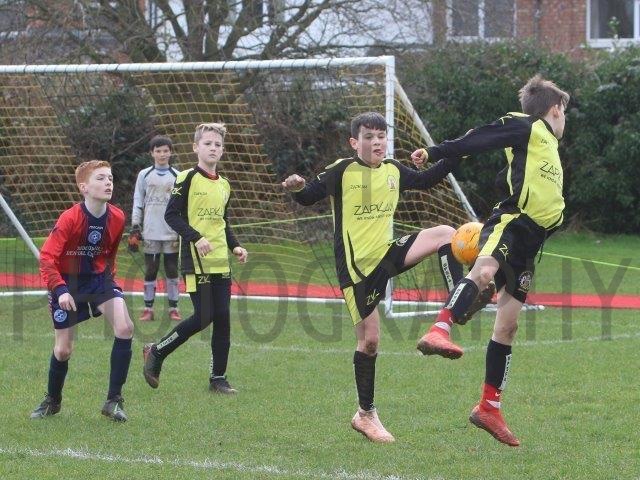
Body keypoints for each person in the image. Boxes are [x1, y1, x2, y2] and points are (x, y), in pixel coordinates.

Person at [282, 111, 489, 443]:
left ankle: (458, 305)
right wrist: (298, 187)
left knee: (445, 234)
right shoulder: (342, 171)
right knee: (370, 342)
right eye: (369, 137)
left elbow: (427, 179)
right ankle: (365, 415)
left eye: (381, 136)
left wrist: (459, 150)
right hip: (356, 270)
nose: (377, 142)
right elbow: (308, 196)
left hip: (386, 253)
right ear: (354, 142)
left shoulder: (393, 169)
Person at [411, 75, 570, 447]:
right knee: (483, 270)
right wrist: (435, 151)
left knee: (508, 326)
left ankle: (489, 408)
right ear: (555, 109)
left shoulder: (548, 145)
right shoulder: (527, 126)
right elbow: (480, 137)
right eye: (564, 113)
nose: (565, 119)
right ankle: (440, 328)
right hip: (511, 223)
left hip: (530, 243)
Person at [142, 123, 248, 395]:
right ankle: (157, 351)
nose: (213, 148)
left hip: (220, 261)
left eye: (217, 144)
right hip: (195, 261)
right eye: (208, 143)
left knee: (222, 318)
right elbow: (171, 215)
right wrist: (196, 237)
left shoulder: (224, 184)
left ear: (222, 150)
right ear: (195, 147)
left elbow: (223, 222)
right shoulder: (186, 178)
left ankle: (218, 379)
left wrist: (235, 246)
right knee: (204, 316)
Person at [31, 160, 134, 422]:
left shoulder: (118, 217)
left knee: (125, 327)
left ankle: (113, 401)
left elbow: (110, 254)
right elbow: (47, 258)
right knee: (63, 350)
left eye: (110, 178)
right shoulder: (70, 218)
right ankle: (52, 400)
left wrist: (110, 282)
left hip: (99, 280)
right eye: (100, 178)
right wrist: (60, 290)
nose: (108, 182)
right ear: (84, 187)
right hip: (67, 283)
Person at [128, 135, 181, 322]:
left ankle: (173, 308)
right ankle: (148, 309)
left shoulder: (178, 176)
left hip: (171, 232)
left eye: (165, 150)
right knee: (151, 269)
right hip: (150, 231)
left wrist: (182, 227)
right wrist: (135, 225)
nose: (162, 154)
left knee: (172, 269)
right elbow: (138, 200)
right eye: (158, 151)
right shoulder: (144, 175)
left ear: (171, 152)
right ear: (152, 153)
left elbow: (181, 205)